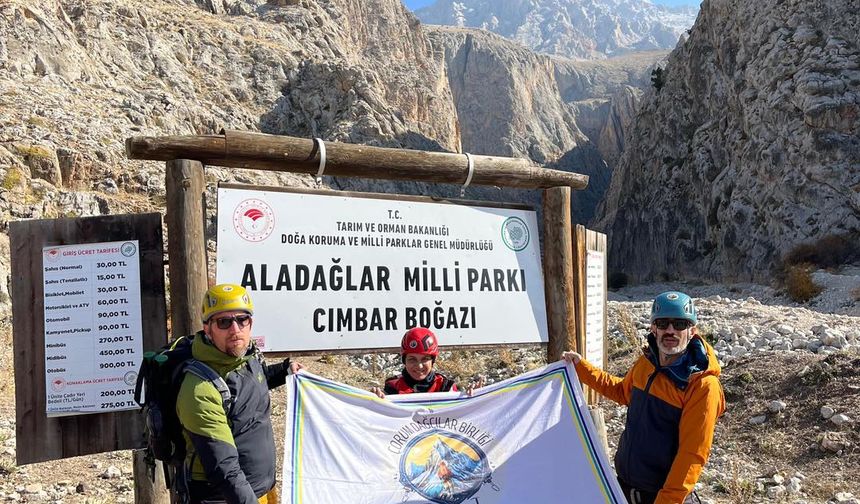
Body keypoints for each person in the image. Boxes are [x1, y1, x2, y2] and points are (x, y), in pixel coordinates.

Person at [562, 291, 725, 504]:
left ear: (692, 331)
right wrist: (581, 368)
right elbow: (622, 391)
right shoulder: (647, 362)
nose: (670, 331)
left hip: (661, 497)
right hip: (626, 489)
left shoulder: (702, 385)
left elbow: (691, 456)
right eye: (663, 322)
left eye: (679, 324)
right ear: (653, 328)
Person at [176, 284, 303, 504]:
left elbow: (252, 382)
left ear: (250, 323)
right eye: (224, 322)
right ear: (207, 329)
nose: (235, 329)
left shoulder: (245, 358)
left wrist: (284, 369)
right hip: (225, 498)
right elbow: (224, 469)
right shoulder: (199, 389)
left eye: (241, 319)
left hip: (261, 489)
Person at [372, 327, 479, 396]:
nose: (419, 366)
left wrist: (477, 397)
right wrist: (373, 402)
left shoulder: (445, 387)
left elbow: (463, 417)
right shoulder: (393, 388)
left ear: (433, 361)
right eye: (412, 359)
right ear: (404, 361)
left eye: (425, 359)